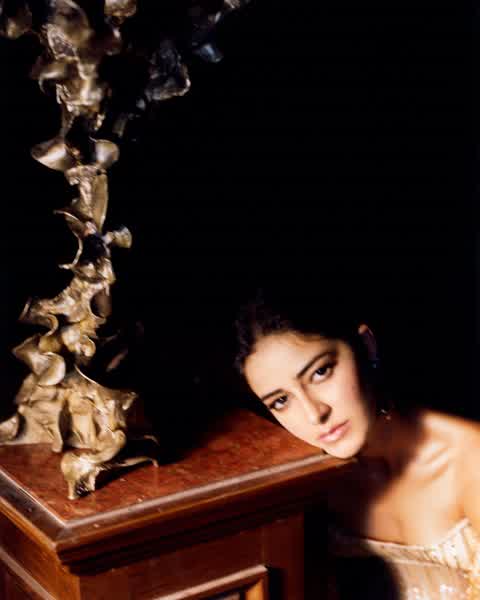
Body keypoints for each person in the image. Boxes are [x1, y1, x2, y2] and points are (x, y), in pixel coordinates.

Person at [234, 286, 480, 599]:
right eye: (281, 401)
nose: (314, 413)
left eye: (321, 372)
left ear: (366, 345)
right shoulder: (303, 487)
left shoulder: (469, 458)